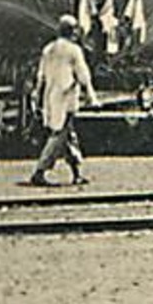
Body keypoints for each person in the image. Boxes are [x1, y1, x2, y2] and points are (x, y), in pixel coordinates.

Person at [26, 14, 98, 186]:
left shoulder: (48, 49)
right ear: (72, 32)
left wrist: (37, 97)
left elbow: (40, 76)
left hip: (51, 98)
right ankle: (40, 171)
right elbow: (83, 76)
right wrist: (92, 97)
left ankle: (77, 173)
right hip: (66, 98)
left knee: (68, 136)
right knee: (59, 136)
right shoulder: (74, 50)